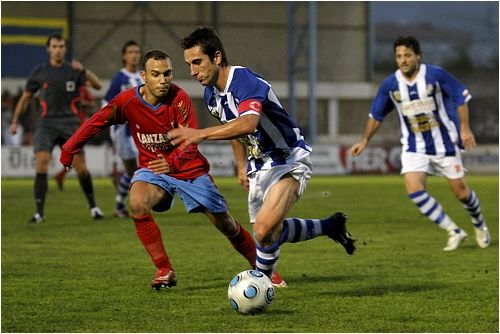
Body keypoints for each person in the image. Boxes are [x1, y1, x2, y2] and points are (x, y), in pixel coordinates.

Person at [60, 49, 263, 290]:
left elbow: (190, 141)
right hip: (154, 171)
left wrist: (173, 162)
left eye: (167, 74)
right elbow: (97, 122)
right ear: (144, 76)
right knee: (136, 202)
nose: (163, 80)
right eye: (156, 74)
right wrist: (69, 148)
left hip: (190, 171)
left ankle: (262, 269)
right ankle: (164, 270)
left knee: (226, 224)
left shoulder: (179, 98)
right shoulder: (127, 102)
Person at [167, 27, 356, 286]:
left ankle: (261, 285)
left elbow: (247, 124)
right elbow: (231, 128)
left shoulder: (243, 81)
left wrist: (200, 134)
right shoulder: (212, 94)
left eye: (197, 62)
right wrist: (241, 164)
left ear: (217, 57)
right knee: (269, 235)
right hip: (259, 166)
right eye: (189, 64)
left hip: (288, 159)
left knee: (264, 229)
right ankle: (330, 226)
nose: (192, 71)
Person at [349, 35, 490, 251]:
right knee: (414, 189)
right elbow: (376, 115)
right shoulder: (390, 84)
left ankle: (479, 224)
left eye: (407, 55)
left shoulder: (435, 75)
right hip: (414, 147)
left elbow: (461, 97)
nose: (403, 60)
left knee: (461, 192)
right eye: (399, 56)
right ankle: (454, 231)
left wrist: (464, 128)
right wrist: (365, 140)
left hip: (445, 143)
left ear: (418, 56)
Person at [9, 33, 104, 223]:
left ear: (65, 49)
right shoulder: (39, 72)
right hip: (46, 124)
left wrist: (84, 70)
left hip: (70, 123)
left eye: (61, 47)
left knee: (81, 167)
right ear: (48, 49)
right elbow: (25, 98)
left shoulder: (73, 71)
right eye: (54, 46)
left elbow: (97, 85)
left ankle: (94, 207)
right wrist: (14, 121)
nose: (58, 50)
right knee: (42, 162)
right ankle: (39, 213)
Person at [100, 40, 144, 218]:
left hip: (142, 130)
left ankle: (124, 204)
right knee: (134, 170)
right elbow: (106, 103)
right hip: (123, 132)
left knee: (137, 169)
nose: (134, 55)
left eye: (137, 52)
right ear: (124, 56)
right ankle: (125, 205)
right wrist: (112, 126)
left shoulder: (143, 77)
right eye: (131, 52)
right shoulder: (120, 77)